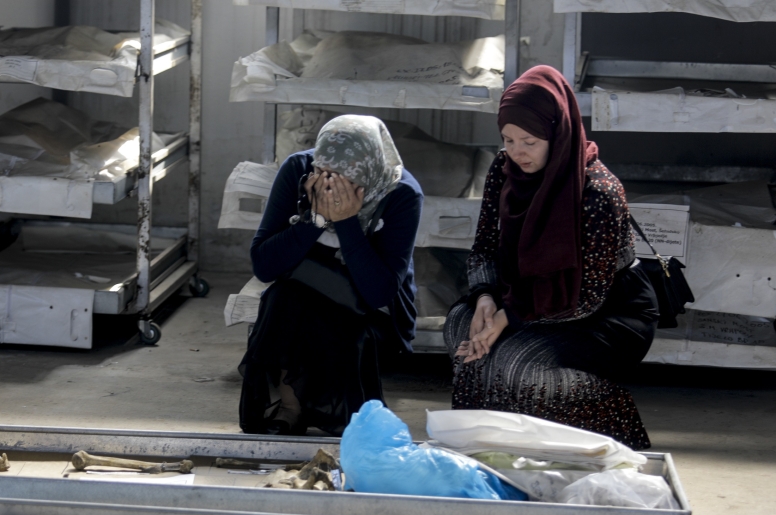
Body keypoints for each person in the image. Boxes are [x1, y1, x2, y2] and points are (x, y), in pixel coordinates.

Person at [442, 66, 659, 449]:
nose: (517, 152)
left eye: (529, 141)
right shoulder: (504, 169)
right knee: (462, 327)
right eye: (508, 140)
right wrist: (486, 299)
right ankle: (486, 445)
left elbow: (587, 297)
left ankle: (613, 422)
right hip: (521, 297)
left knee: (513, 363)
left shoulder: (599, 193)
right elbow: (484, 248)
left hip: (606, 316)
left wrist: (509, 317)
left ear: (558, 133)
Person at [239, 115, 423, 436]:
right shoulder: (300, 170)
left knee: (331, 314)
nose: (330, 185)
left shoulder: (401, 193)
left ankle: (341, 411)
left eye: (343, 179)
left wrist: (348, 222)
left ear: (368, 172)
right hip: (304, 289)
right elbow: (264, 266)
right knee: (283, 298)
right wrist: (316, 219)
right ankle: (290, 407)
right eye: (324, 174)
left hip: (368, 308)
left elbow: (378, 292)